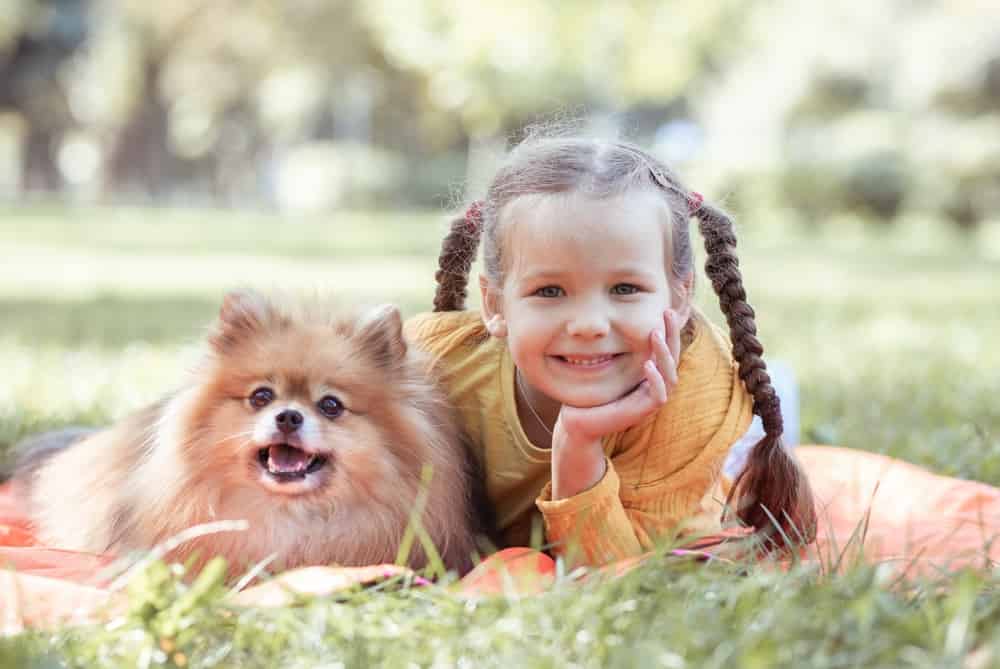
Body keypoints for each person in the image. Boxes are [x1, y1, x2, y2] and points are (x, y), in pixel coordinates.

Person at [404, 132, 816, 568]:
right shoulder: (435, 364)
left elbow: (614, 571)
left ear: (678, 300)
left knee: (735, 463)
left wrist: (578, 442)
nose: (588, 325)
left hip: (680, 467)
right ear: (494, 304)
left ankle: (771, 400)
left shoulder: (696, 395)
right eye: (549, 291)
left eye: (624, 288)